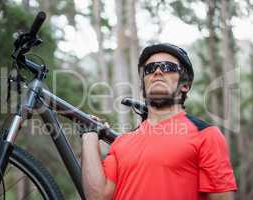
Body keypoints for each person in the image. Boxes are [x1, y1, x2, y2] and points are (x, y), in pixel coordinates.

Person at [81, 43, 237, 200]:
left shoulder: (205, 134)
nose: (157, 71)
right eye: (150, 69)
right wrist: (89, 135)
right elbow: (97, 197)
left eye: (168, 67)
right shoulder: (121, 142)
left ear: (185, 85)